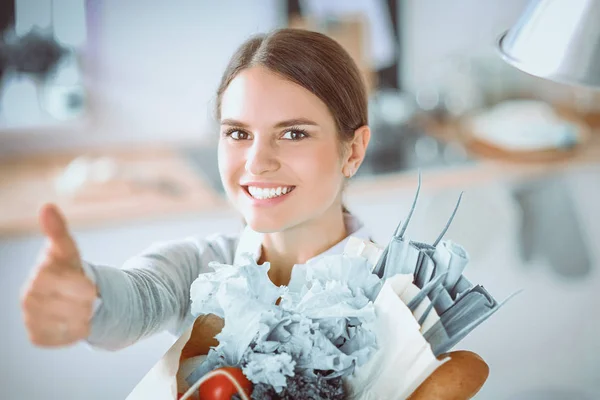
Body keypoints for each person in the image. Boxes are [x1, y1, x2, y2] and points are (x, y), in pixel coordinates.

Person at [20, 28, 488, 398]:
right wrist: (89, 298)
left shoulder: (398, 302)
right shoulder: (201, 269)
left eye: (294, 134)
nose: (257, 162)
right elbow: (140, 296)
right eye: (238, 133)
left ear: (354, 150)